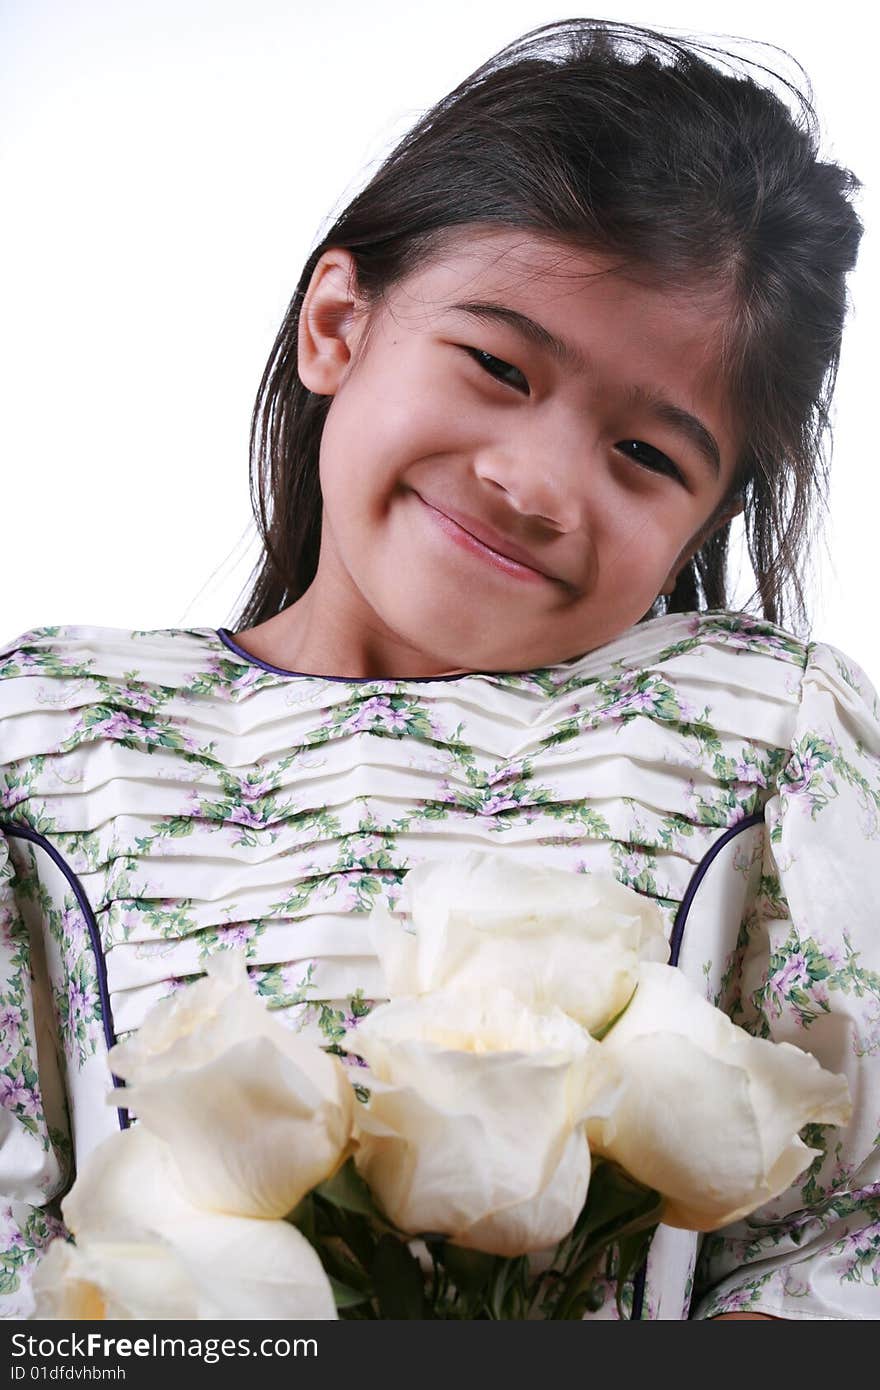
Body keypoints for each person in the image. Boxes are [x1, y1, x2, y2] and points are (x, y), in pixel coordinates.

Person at [1, 17, 877, 1321]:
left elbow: (850, 1223)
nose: (536, 483)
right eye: (498, 365)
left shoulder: (756, 731)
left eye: (646, 456)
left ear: (708, 517)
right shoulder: (58, 730)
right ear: (338, 325)